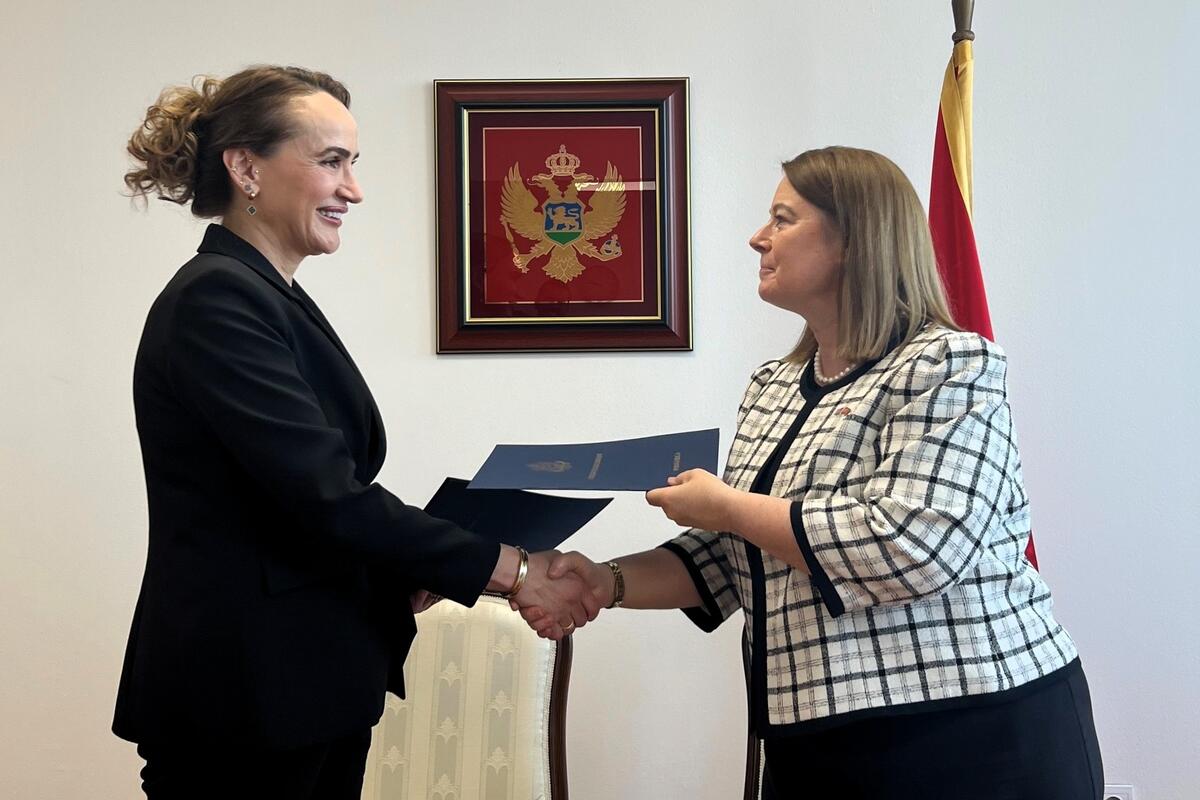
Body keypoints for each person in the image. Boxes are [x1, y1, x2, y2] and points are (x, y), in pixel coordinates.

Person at [530, 147, 1104, 799]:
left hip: (972, 735)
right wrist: (606, 581)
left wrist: (727, 507)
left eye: (783, 219)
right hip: (814, 740)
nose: (758, 238)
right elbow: (741, 553)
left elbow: (913, 548)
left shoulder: (950, 365)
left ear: (855, 241)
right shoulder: (772, 387)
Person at [114, 65, 598, 800]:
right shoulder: (217, 300)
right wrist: (516, 571)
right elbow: (327, 496)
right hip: (244, 700)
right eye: (331, 161)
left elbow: (288, 505)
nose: (354, 189)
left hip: (303, 686)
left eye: (353, 163)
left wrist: (408, 570)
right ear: (246, 168)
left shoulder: (264, 294)